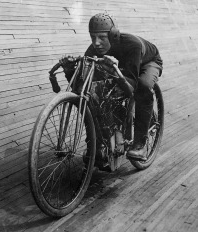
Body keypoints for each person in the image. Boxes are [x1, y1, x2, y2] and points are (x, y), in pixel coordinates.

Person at [60, 13, 163, 162]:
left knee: (143, 86)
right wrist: (69, 70)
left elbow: (131, 88)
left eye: (102, 37)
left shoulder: (132, 44)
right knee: (97, 94)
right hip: (123, 67)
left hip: (147, 62)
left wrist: (113, 71)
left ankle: (140, 144)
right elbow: (82, 88)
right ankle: (97, 144)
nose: (97, 43)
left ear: (113, 36)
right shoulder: (93, 50)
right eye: (93, 37)